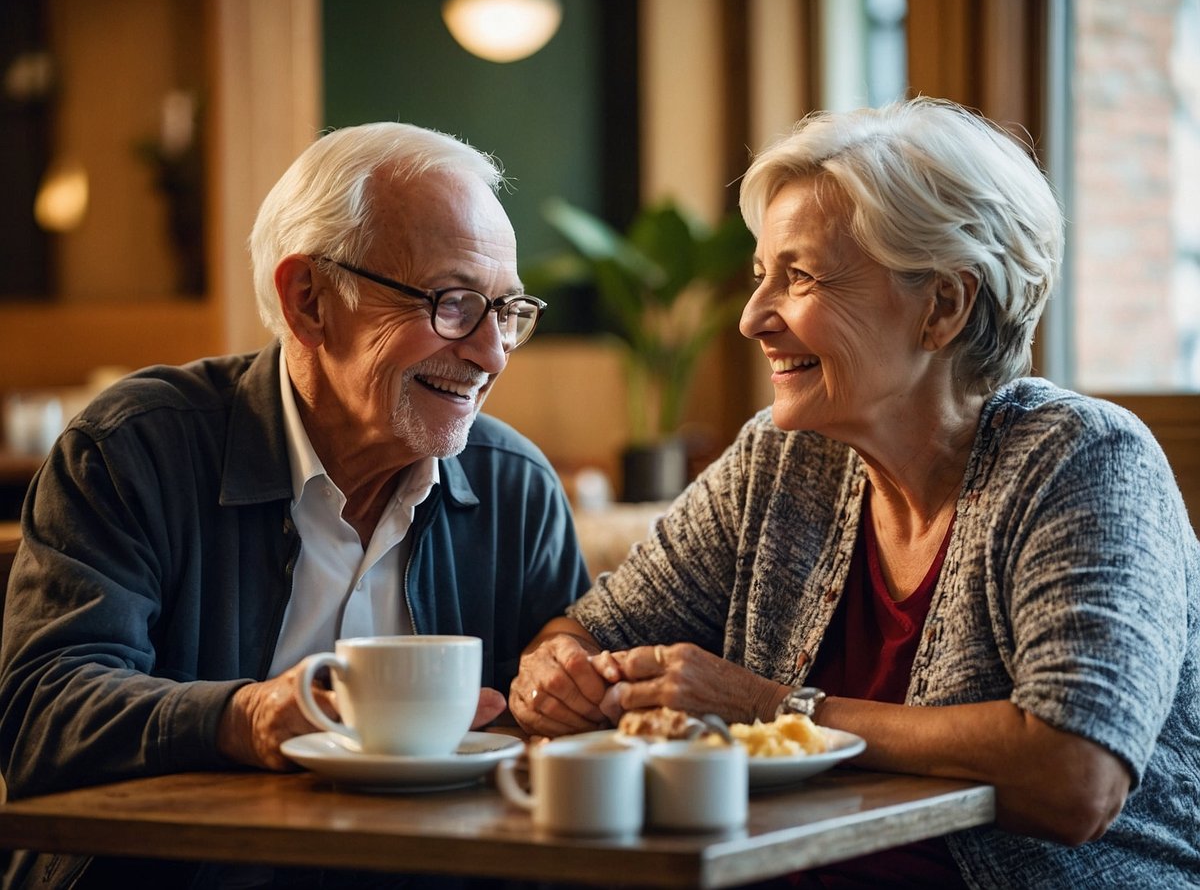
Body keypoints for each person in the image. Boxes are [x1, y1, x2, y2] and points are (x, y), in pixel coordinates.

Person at [510, 97, 1200, 888]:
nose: (752, 318)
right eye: (761, 274)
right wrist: (558, 668)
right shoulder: (779, 462)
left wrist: (777, 711)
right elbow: (595, 628)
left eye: (797, 277)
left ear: (942, 306)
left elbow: (1076, 776)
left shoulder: (1083, 462)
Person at [0, 122, 590, 886]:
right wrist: (242, 720)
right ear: (310, 300)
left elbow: (565, 732)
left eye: (508, 311)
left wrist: (572, 685)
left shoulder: (515, 487)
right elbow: (42, 716)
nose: (491, 352)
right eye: (452, 304)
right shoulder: (134, 450)